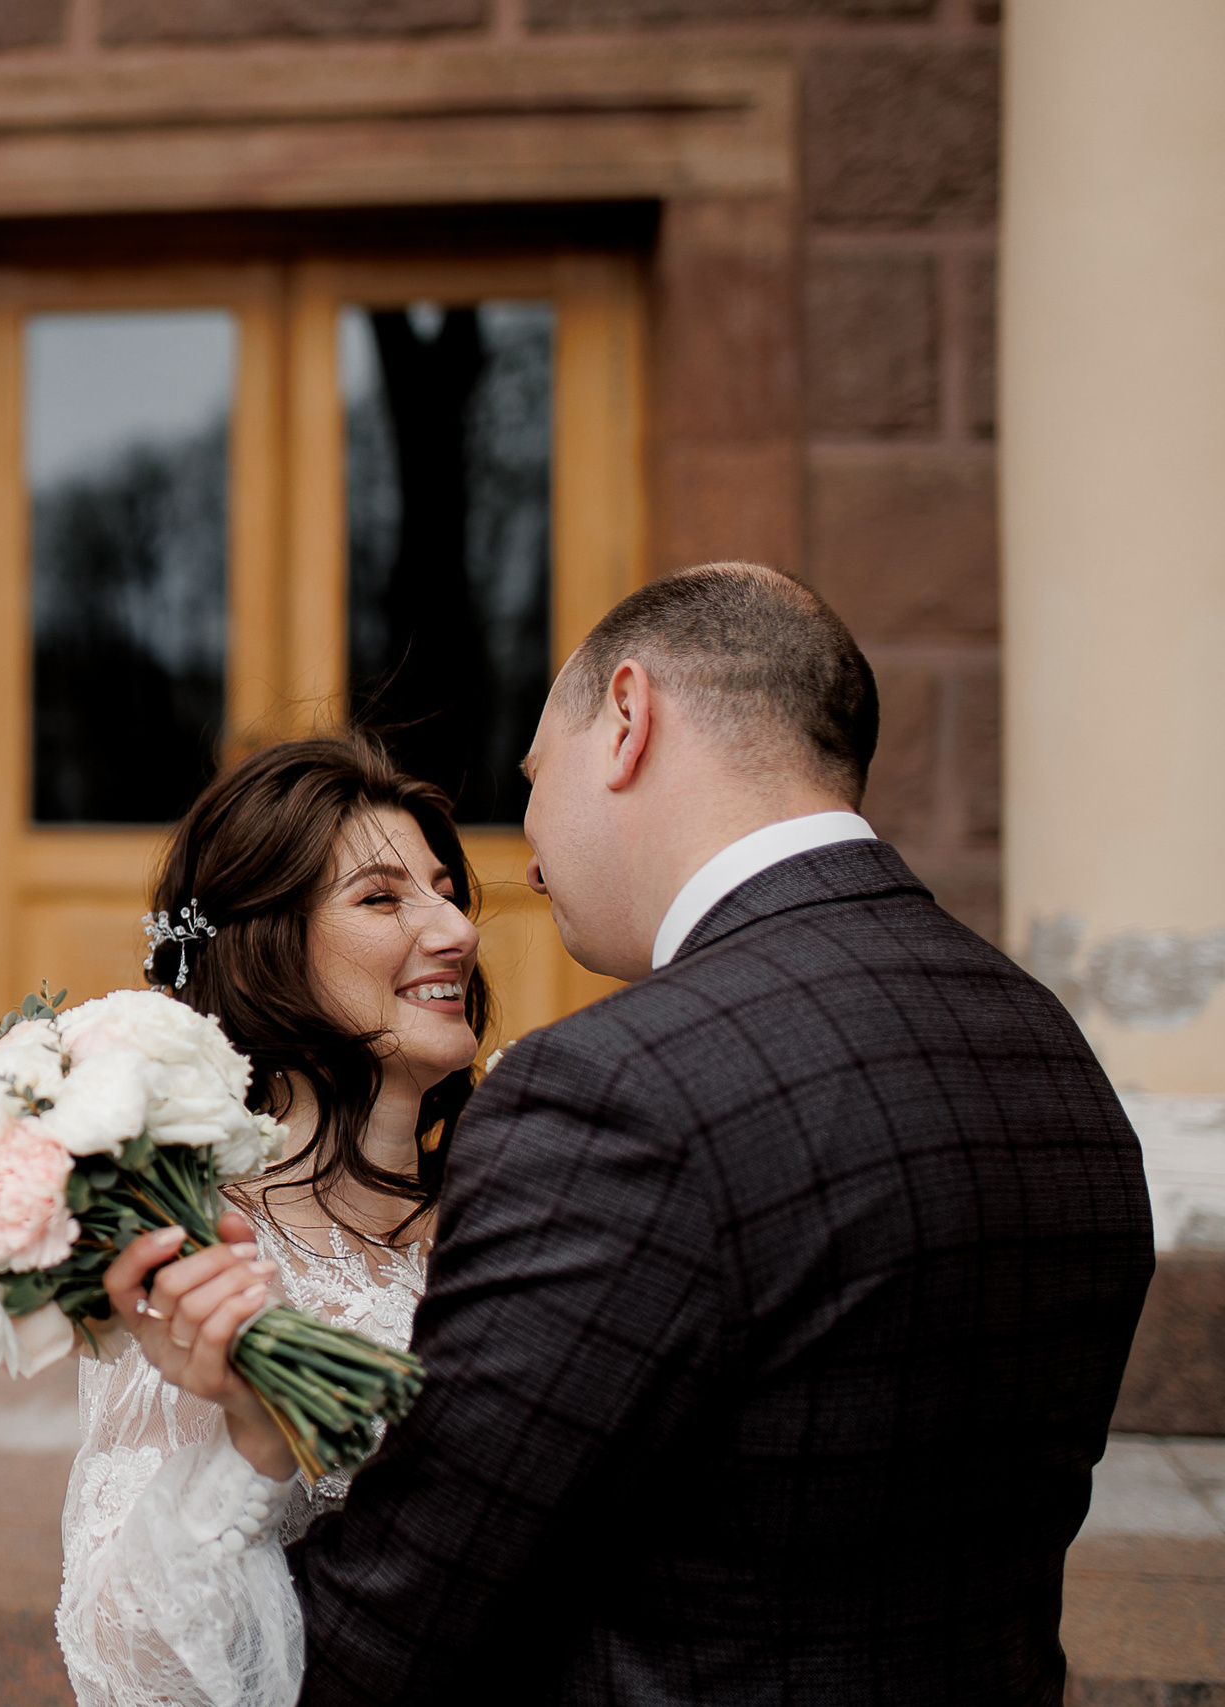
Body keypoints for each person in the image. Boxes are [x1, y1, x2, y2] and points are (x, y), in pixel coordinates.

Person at [132, 562, 1154, 1706]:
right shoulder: (1044, 1044)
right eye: (383, 898)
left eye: (533, 773)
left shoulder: (622, 1092)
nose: (505, 877)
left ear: (626, 721)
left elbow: (410, 1615)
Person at [58, 732, 489, 1707]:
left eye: (445, 889)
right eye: (382, 899)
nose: (455, 930)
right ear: (268, 950)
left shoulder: (494, 1202)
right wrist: (256, 1445)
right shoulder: (209, 1253)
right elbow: (129, 1662)